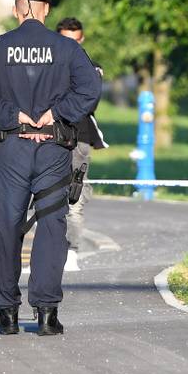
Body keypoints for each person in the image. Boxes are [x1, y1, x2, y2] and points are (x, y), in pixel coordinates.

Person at [0, 0, 101, 335]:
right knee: (52, 225)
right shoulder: (67, 48)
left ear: (16, 11)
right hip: (54, 149)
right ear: (45, 10)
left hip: (12, 148)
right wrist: (56, 113)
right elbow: (90, 89)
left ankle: (6, 310)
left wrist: (13, 116)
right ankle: (46, 313)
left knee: (8, 225)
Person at [55, 17, 107, 272]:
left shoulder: (91, 67)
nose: (71, 46)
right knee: (46, 195)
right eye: (66, 41)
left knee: (74, 196)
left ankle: (71, 251)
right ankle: (48, 254)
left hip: (80, 137)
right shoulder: (49, 65)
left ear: (82, 40)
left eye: (75, 41)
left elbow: (89, 99)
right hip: (50, 134)